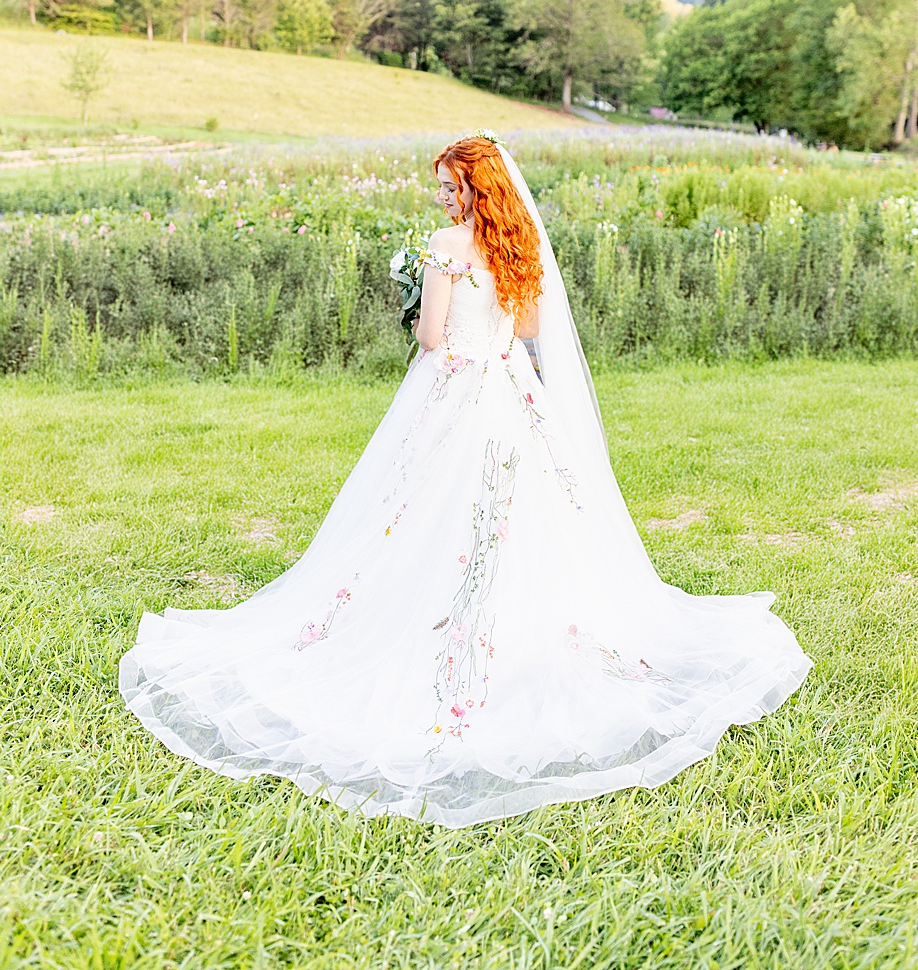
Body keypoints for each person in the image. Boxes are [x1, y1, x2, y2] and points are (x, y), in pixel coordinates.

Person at [121, 133, 811, 827]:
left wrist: (417, 292)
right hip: (513, 391)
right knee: (522, 512)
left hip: (456, 390)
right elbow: (531, 326)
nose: (444, 197)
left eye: (452, 186)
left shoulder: (445, 245)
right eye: (443, 187)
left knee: (423, 510)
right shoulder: (518, 243)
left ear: (475, 188)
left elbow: (430, 336)